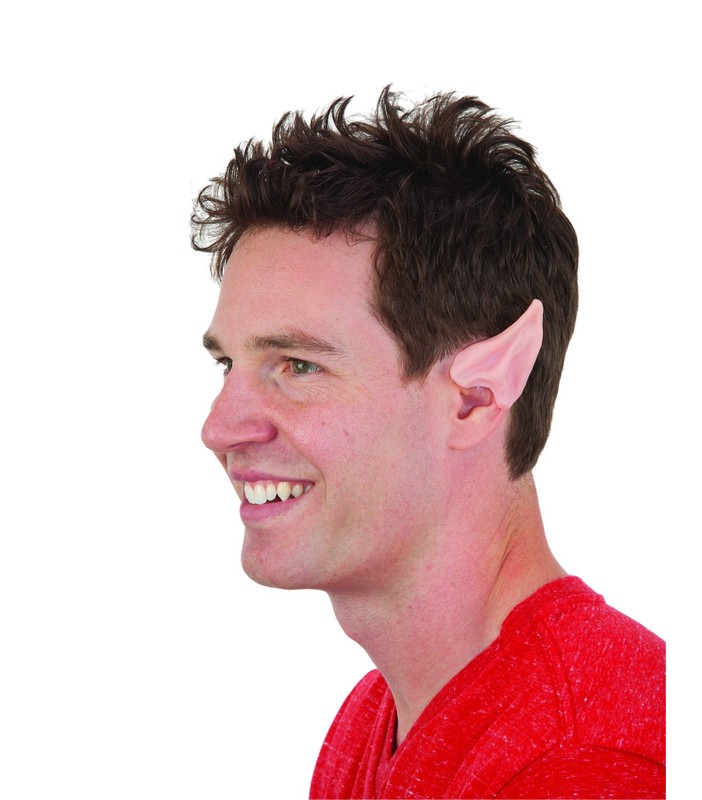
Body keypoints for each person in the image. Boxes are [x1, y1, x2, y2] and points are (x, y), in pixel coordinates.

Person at [192, 87, 666, 799]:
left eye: (298, 365)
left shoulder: (588, 762)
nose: (219, 429)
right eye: (229, 363)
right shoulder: (373, 719)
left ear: (477, 398)